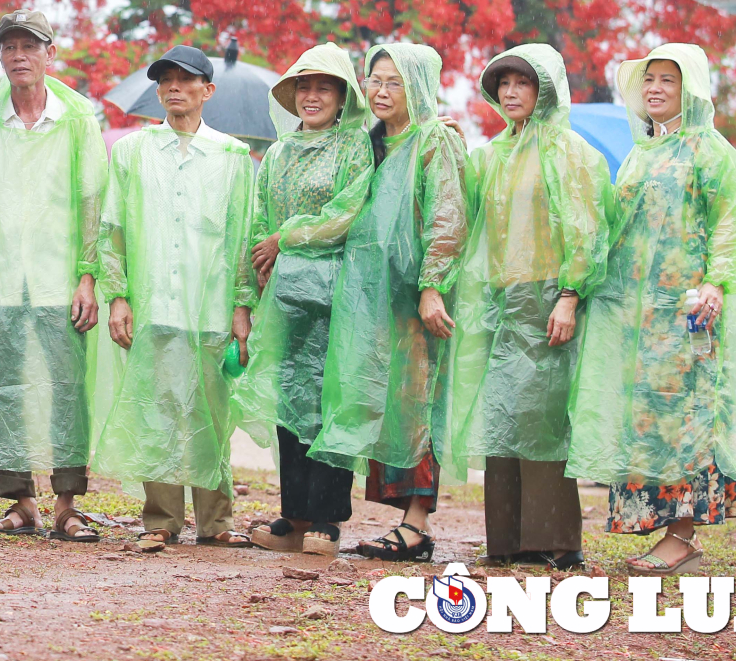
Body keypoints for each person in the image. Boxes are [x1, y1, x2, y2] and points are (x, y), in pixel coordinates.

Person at [568, 43, 736, 574]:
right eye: (648, 79)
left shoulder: (711, 152)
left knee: (686, 421)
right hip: (639, 321)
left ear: (691, 90)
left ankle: (683, 536)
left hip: (688, 315)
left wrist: (717, 284)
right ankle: (662, 531)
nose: (654, 88)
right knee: (646, 422)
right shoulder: (639, 154)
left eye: (667, 81)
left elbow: (732, 225)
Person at [441, 45, 610, 571]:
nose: (511, 93)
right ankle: (508, 541)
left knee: (543, 421)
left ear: (546, 90)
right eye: (504, 84)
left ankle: (556, 541)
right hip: (498, 302)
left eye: (524, 83)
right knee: (501, 420)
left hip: (547, 297)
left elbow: (587, 230)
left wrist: (569, 295)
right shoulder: (491, 154)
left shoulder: (571, 152)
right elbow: (462, 218)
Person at [0, 11, 107, 541]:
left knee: (65, 386)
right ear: (0, 56)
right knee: (1, 384)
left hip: (60, 277)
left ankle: (68, 503)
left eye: (29, 46)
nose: (19, 56)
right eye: (9, 47)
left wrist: (88, 275)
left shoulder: (78, 119)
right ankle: (19, 502)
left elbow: (95, 202)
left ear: (49, 53)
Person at [307, 42, 467, 563]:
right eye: (374, 80)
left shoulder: (433, 141)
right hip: (373, 297)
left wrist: (431, 285)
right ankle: (402, 519)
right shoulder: (370, 144)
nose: (380, 91)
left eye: (394, 82)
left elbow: (447, 218)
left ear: (417, 87)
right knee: (385, 405)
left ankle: (416, 524)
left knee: (419, 404)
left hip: (414, 298)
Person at [92, 45, 257, 549]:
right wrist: (118, 296)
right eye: (165, 80)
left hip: (209, 307)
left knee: (211, 412)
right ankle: (160, 520)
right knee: (156, 408)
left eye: (186, 80)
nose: (174, 88)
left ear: (207, 91)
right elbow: (112, 230)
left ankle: (217, 522)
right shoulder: (133, 153)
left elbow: (244, 236)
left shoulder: (232, 159)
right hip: (154, 304)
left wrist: (241, 306)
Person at [235, 43, 376, 557]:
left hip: (337, 294)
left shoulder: (355, 147)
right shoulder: (276, 153)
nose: (312, 96)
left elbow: (348, 214)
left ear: (342, 96)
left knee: (331, 402)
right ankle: (292, 513)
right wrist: (257, 274)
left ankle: (327, 518)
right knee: (288, 403)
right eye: (304, 86)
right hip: (285, 297)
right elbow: (259, 220)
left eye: (324, 86)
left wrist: (286, 239)